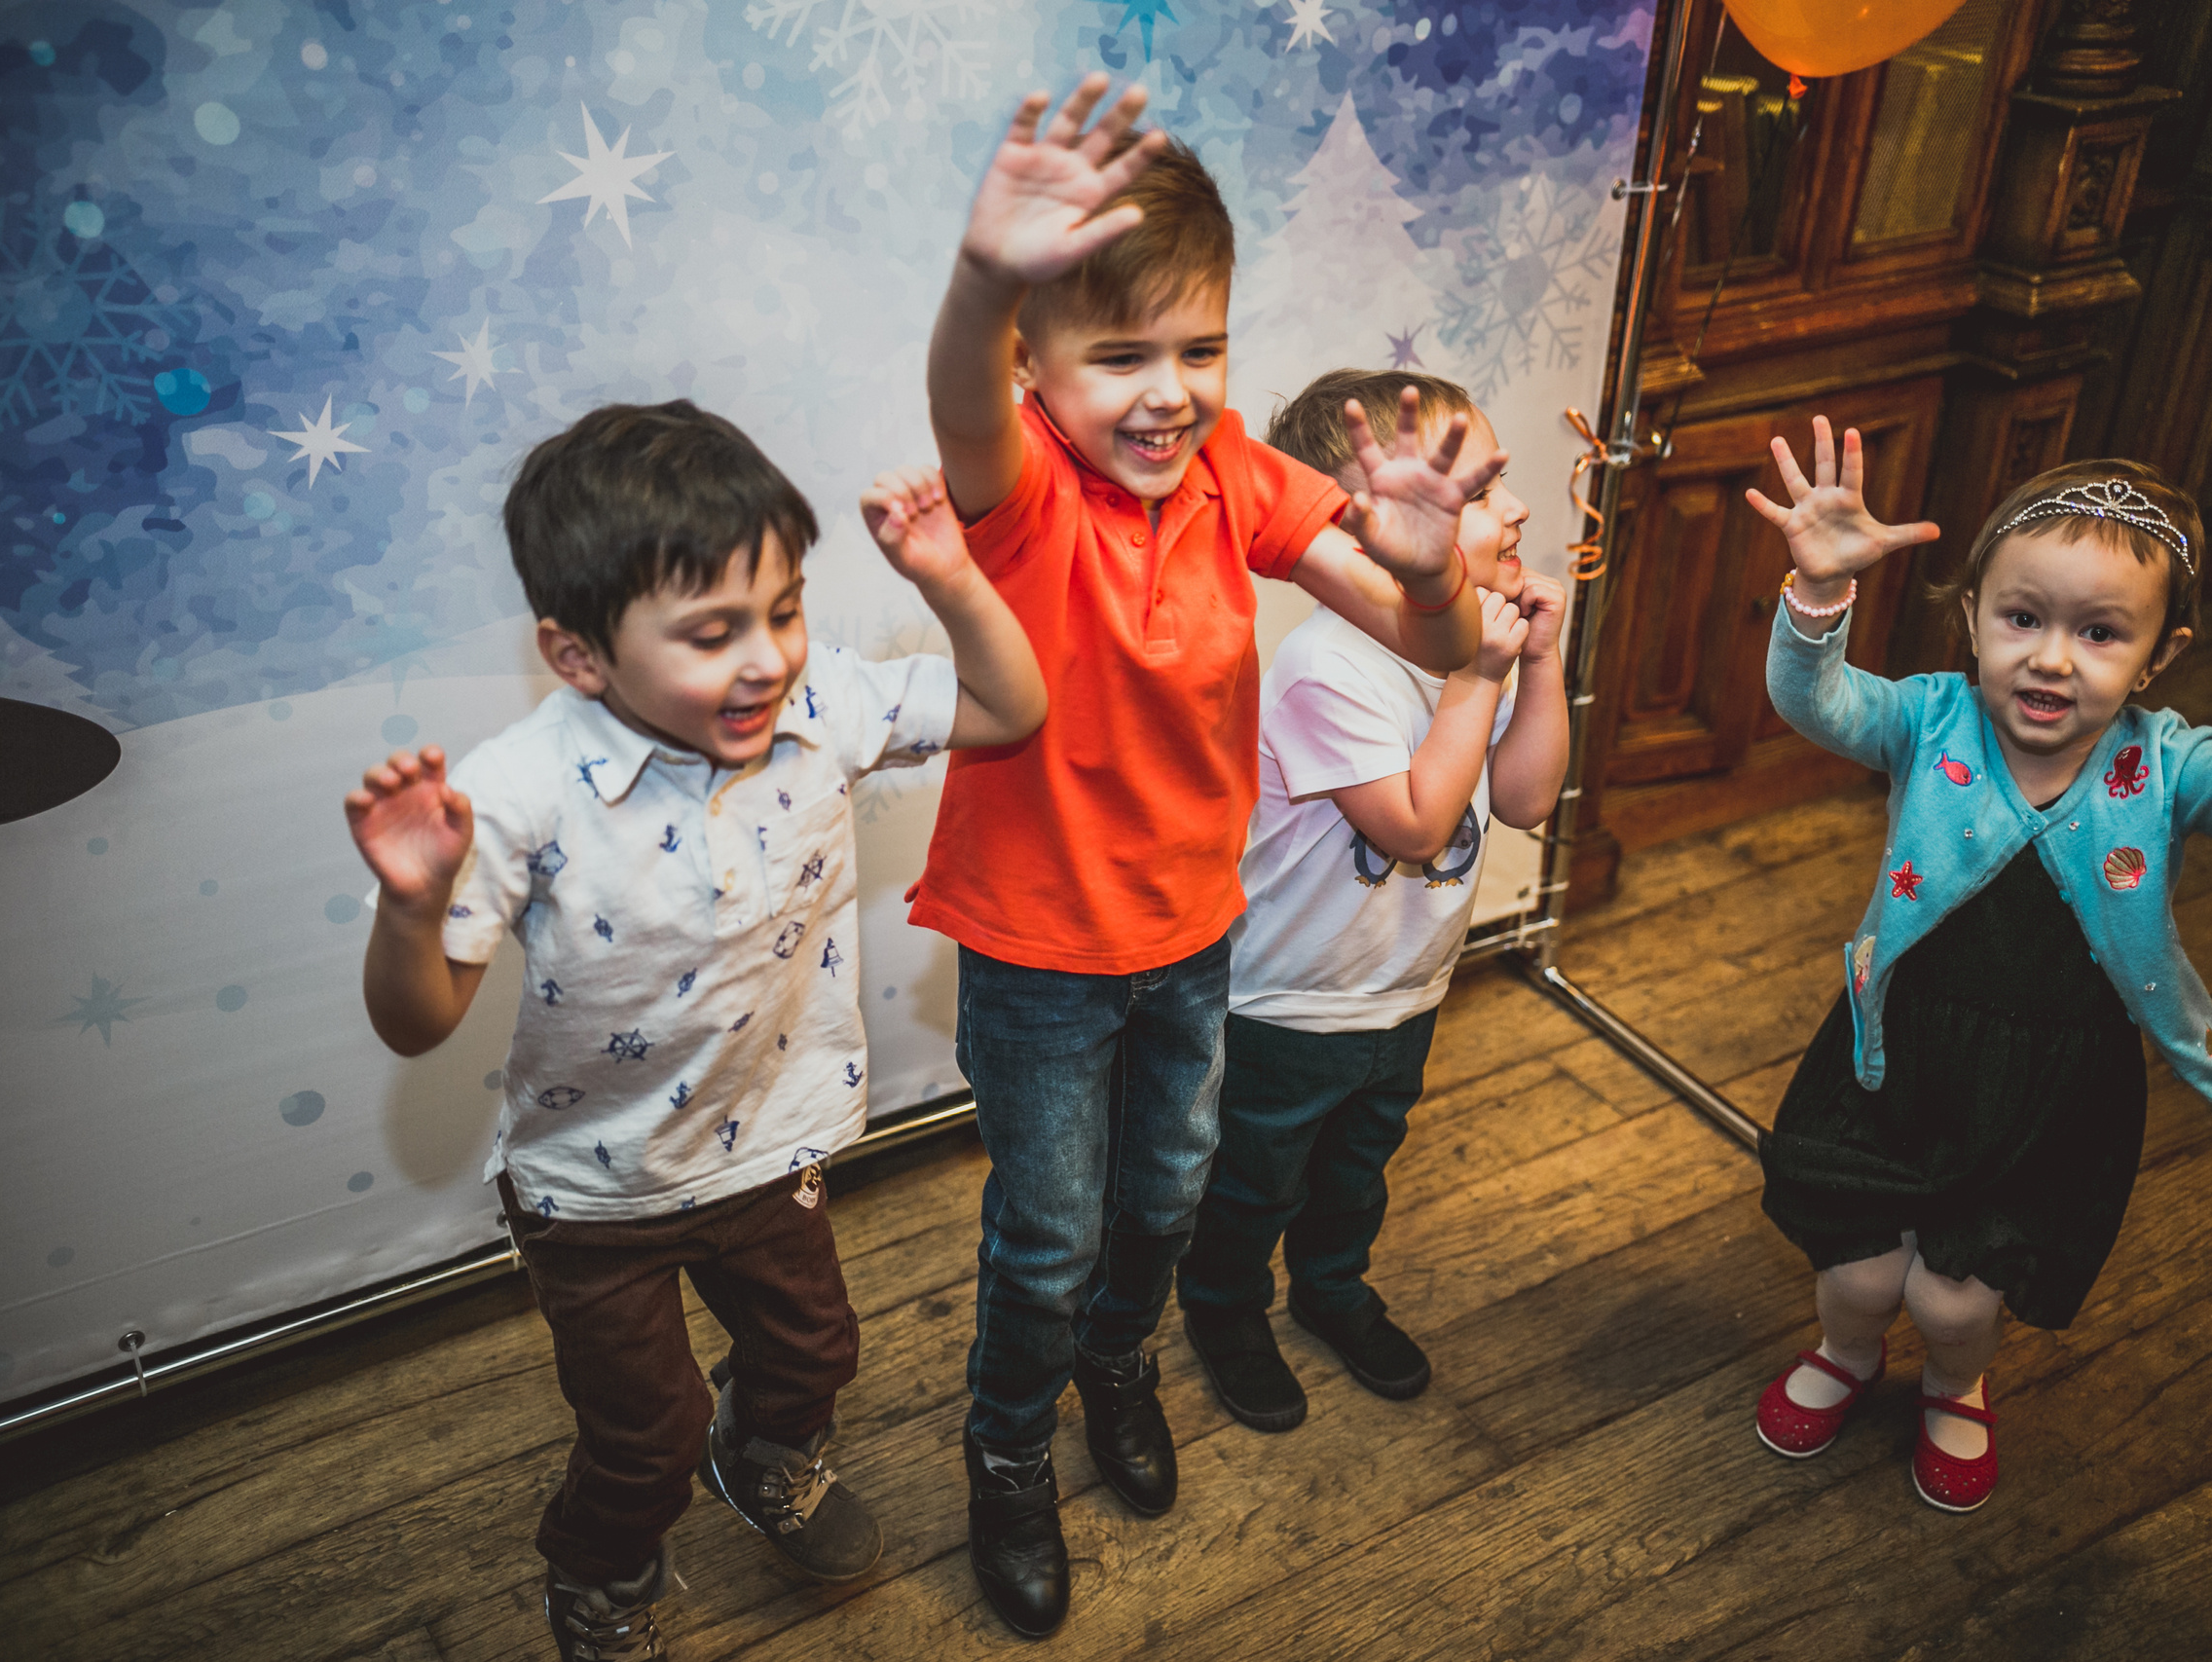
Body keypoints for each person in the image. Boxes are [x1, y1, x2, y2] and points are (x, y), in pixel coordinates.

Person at [914, 78, 1497, 1638]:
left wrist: (1431, 567)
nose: (1170, 392)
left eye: (1199, 348)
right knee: (1047, 1229)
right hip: (1038, 952)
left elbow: (1420, 628)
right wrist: (984, 279)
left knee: (1164, 1196)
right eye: (1120, 357)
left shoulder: (1238, 469)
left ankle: (1121, 1360)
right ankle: (1008, 1443)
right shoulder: (1023, 485)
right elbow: (961, 404)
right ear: (1038, 368)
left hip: (1191, 935)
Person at [341, 402, 1045, 1661]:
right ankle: (601, 1574)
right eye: (712, 632)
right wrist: (410, 905)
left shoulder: (823, 697)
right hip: (595, 1194)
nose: (767, 657)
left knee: (818, 1350)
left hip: (773, 1146)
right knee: (642, 1434)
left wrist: (946, 574)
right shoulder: (515, 789)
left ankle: (764, 1461)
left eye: (782, 608)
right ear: (578, 653)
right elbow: (416, 1021)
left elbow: (1010, 705)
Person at [1745, 417, 2212, 1512]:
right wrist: (1816, 600)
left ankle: (1955, 1382)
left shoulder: (2171, 766)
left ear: (2158, 656)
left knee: (1951, 1299)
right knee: (1855, 1270)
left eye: (2097, 633)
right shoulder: (1929, 718)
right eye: (2022, 619)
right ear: (1974, 617)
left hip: (2045, 1084)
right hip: (1902, 1050)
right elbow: (1814, 698)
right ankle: (1848, 1354)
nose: (2047, 656)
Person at [1175, 369, 1571, 1432]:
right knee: (1252, 1180)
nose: (1517, 507)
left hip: (1404, 986)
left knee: (1358, 1166)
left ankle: (1333, 1286)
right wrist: (1479, 679)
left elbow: (1528, 800)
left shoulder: (1479, 637)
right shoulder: (1325, 664)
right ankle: (1224, 1308)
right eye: (1479, 495)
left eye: (1497, 483)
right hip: (1288, 1003)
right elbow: (1410, 828)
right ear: (1373, 532)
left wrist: (1539, 661)